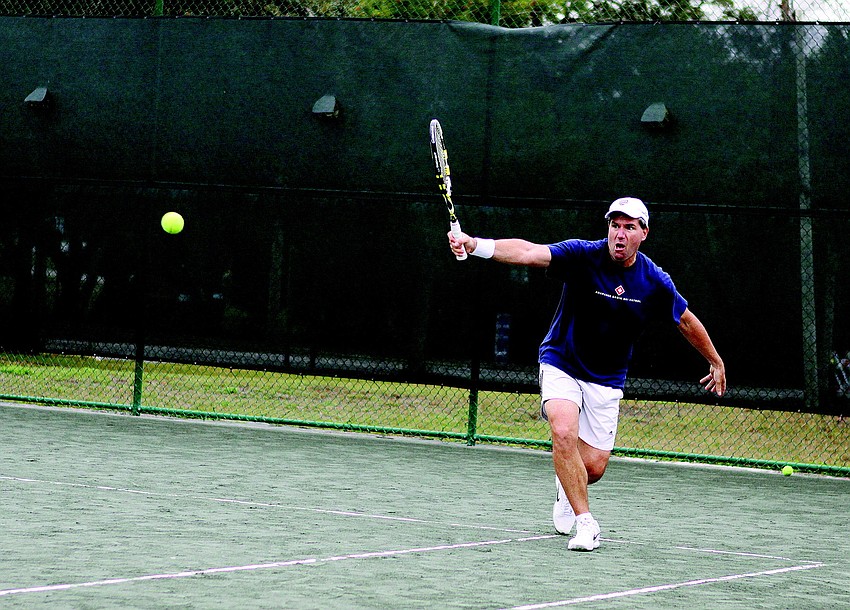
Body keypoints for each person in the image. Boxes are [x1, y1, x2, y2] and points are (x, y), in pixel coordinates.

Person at [448, 197, 726, 552]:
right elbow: (530, 253)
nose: (619, 233)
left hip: (607, 379)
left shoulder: (654, 280)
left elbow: (685, 321)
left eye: (629, 227)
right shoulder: (582, 255)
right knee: (563, 430)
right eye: (615, 225)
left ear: (644, 233)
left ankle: (567, 486)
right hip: (561, 361)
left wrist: (715, 360)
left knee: (592, 468)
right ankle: (586, 524)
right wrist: (475, 246)